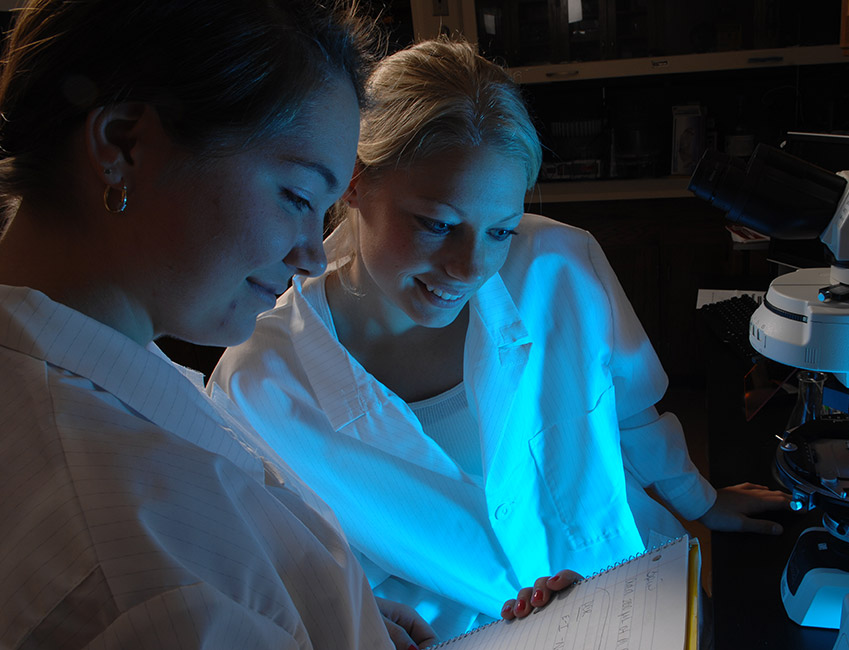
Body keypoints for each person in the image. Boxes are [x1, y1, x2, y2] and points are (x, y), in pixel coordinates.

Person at [0, 3, 576, 648]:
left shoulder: (97, 361)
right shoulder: (132, 570)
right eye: (297, 197)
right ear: (123, 144)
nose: (309, 254)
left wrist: (329, 606)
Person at [210, 36, 791, 641]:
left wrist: (700, 502)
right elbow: (291, 562)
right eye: (437, 225)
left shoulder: (557, 264)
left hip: (626, 594)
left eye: (500, 231)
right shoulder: (259, 381)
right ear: (354, 181)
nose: (470, 268)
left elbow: (629, 414)